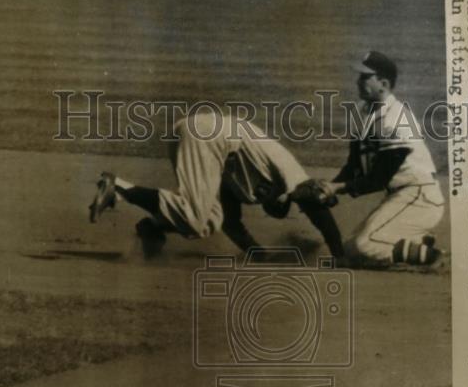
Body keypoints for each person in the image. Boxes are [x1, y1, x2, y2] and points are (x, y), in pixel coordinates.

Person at [89, 107, 344, 261]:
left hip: (202, 138)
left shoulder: (243, 181)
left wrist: (256, 253)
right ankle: (119, 187)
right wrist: (338, 252)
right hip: (208, 136)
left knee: (211, 219)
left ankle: (155, 226)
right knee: (194, 216)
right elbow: (317, 206)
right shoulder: (291, 175)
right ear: (288, 196)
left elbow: (231, 223)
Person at [320, 50, 445, 271]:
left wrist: (337, 188)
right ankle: (414, 239)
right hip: (401, 196)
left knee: (365, 246)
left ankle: (430, 255)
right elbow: (354, 166)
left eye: (365, 77)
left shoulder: (397, 119)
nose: (358, 82)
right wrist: (328, 188)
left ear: (383, 83)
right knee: (349, 250)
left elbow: (379, 178)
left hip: (420, 197)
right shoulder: (363, 111)